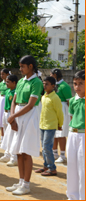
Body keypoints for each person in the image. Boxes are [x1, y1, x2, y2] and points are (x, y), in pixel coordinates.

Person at [6, 55, 43, 195]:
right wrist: (12, 117)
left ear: (31, 66)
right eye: (20, 66)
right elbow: (14, 101)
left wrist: (13, 116)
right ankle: (21, 181)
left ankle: (26, 185)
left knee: (26, 152)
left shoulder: (36, 82)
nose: (20, 69)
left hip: (29, 116)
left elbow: (31, 104)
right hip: (18, 116)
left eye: (22, 66)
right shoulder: (21, 81)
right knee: (19, 152)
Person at [35, 76, 63, 176]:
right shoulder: (43, 97)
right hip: (42, 125)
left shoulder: (55, 98)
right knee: (43, 147)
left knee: (47, 147)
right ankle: (46, 166)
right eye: (43, 84)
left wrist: (60, 124)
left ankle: (52, 168)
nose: (44, 86)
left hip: (50, 126)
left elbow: (60, 112)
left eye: (47, 84)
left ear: (53, 85)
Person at [66, 70, 85, 200]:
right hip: (73, 134)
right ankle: (72, 196)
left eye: (81, 83)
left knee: (83, 168)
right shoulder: (72, 100)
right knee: (72, 166)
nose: (77, 87)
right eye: (75, 84)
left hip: (84, 136)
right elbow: (72, 117)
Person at [50, 68, 72, 163]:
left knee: (61, 134)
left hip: (62, 109)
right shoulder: (54, 85)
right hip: (54, 109)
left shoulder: (64, 86)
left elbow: (69, 102)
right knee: (54, 132)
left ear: (55, 75)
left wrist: (71, 115)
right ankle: (55, 153)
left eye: (51, 74)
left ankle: (62, 155)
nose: (50, 76)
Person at [0, 74, 18, 166]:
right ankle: (7, 154)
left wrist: (12, 116)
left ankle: (14, 157)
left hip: (11, 113)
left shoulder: (15, 92)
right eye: (6, 81)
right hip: (5, 113)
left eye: (8, 82)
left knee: (12, 136)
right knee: (6, 135)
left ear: (14, 83)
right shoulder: (7, 91)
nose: (6, 83)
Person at [0, 68, 10, 145]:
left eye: (3, 74)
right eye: (1, 74)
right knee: (0, 118)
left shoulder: (9, 83)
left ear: (7, 74)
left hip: (5, 99)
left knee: (5, 118)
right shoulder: (1, 83)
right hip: (0, 100)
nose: (1, 76)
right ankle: (2, 137)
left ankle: (6, 138)